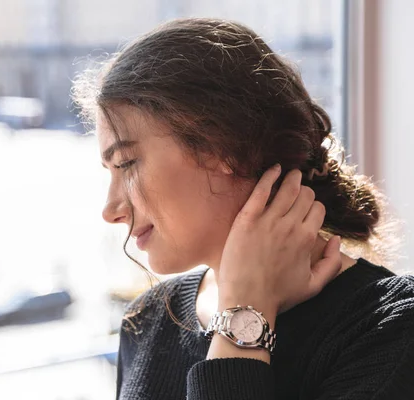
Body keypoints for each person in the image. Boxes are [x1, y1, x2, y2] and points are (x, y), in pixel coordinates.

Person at [72, 18, 414, 400]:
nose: (111, 209)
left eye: (126, 164)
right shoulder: (148, 318)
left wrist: (242, 315)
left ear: (222, 149)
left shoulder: (392, 328)